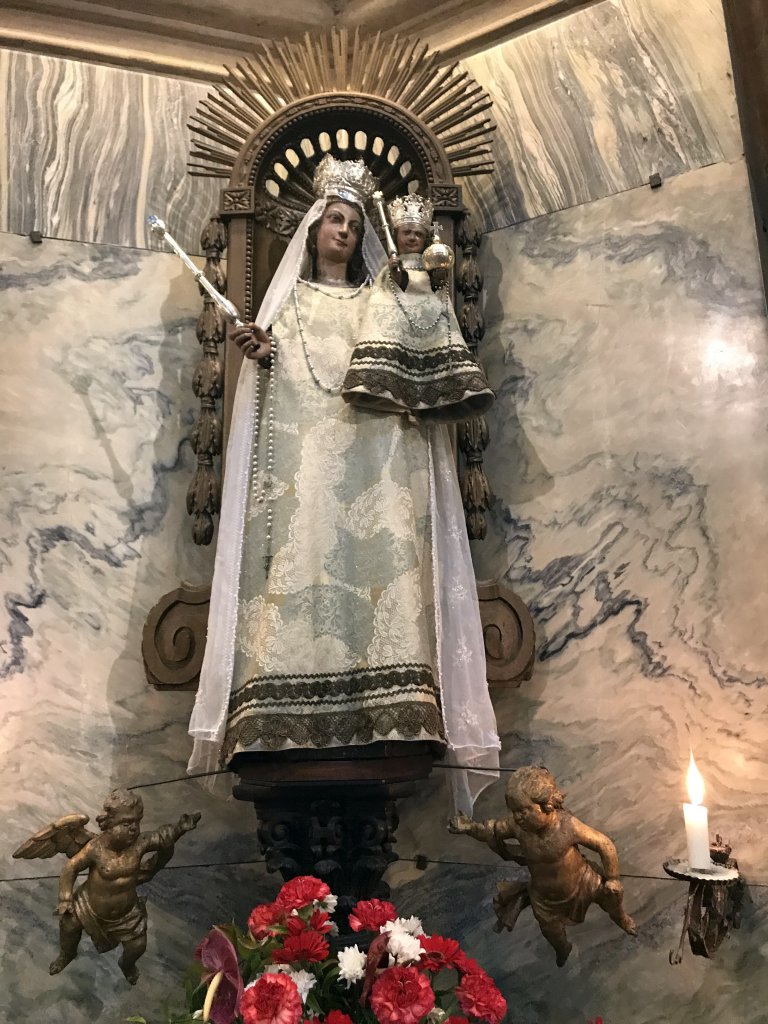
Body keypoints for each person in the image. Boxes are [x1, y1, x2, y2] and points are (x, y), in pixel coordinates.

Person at [188, 156, 499, 812]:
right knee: (302, 564)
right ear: (310, 229)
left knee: (381, 563)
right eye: (334, 220)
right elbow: (268, 406)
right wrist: (261, 358)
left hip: (375, 468)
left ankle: (386, 700)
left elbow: (419, 353)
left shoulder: (380, 296)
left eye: (354, 225)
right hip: (303, 482)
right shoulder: (291, 305)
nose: (344, 233)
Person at [449, 766, 637, 965]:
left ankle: (621, 918)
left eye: (524, 810)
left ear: (547, 805)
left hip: (584, 881)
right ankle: (562, 948)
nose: (518, 817)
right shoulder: (517, 826)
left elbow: (604, 844)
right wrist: (469, 828)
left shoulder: (567, 825)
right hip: (545, 897)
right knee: (551, 931)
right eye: (514, 812)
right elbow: (491, 830)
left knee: (611, 898)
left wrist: (613, 878)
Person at [341, 192, 494, 422]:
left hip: (431, 329)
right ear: (396, 234)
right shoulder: (389, 270)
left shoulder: (429, 267)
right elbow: (388, 295)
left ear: (425, 239)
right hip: (398, 330)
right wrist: (396, 274)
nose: (412, 238)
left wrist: (436, 275)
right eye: (406, 232)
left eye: (418, 234)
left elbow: (436, 291)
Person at [50, 790, 200, 984]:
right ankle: (66, 955)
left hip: (127, 912)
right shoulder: (95, 848)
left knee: (138, 946)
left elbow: (162, 837)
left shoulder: (139, 844)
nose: (133, 829)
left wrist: (180, 828)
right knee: (68, 925)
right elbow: (70, 869)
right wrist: (65, 898)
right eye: (127, 823)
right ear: (109, 825)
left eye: (137, 823)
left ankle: (127, 964)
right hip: (89, 906)